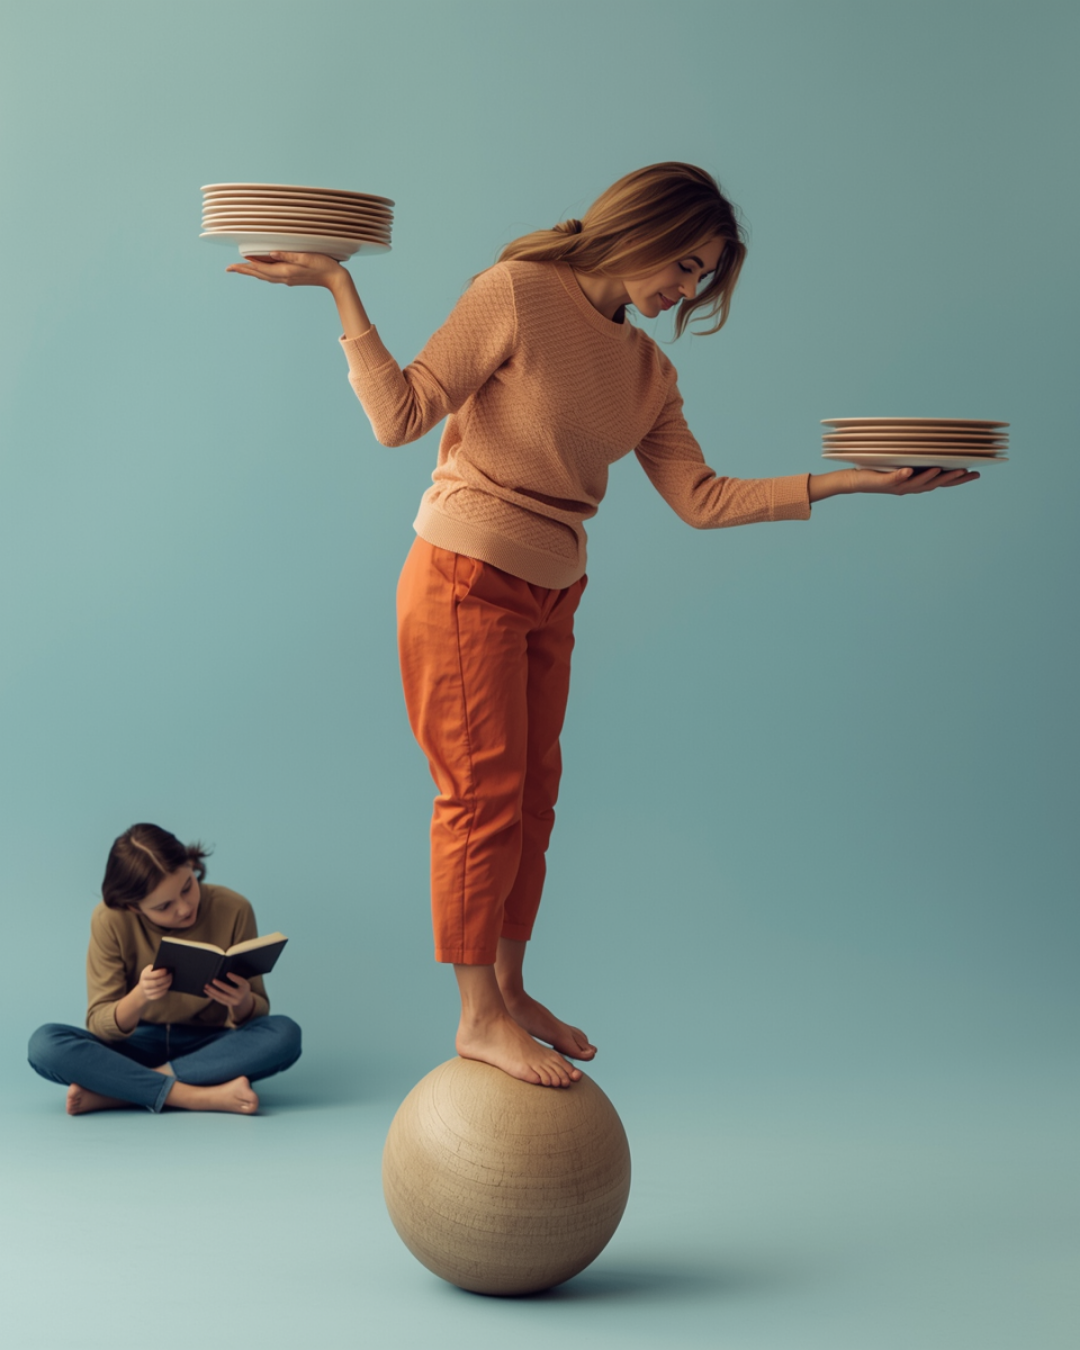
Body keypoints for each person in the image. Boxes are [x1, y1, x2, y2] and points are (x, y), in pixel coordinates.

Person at [226, 162, 978, 1090]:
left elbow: (701, 500)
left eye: (705, 277)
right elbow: (401, 416)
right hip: (464, 572)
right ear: (641, 226)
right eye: (688, 262)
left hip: (552, 591)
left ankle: (507, 989)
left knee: (533, 797)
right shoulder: (516, 293)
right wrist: (342, 287)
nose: (688, 288)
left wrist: (847, 482)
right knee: (480, 796)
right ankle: (475, 1021)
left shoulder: (649, 371)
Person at [28, 823, 301, 1115]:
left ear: (191, 864)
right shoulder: (110, 919)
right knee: (45, 1045)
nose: (184, 908)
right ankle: (197, 1097)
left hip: (207, 1047)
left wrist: (243, 1001)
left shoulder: (234, 909)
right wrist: (140, 996)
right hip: (134, 1046)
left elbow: (258, 1017)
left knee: (285, 1034)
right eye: (163, 906)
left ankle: (119, 1091)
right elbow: (98, 1022)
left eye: (188, 886)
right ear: (133, 907)